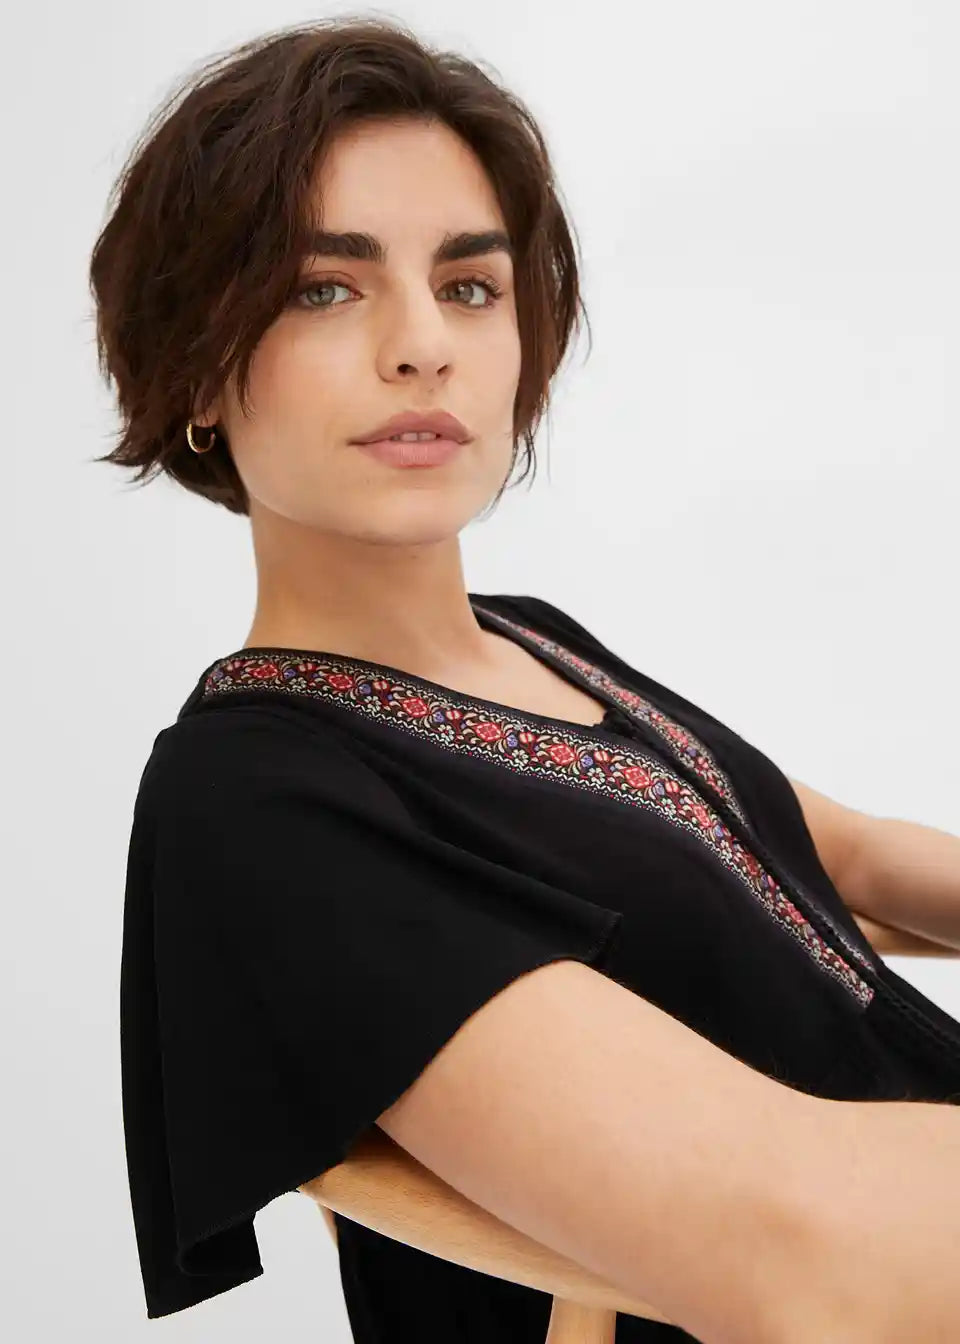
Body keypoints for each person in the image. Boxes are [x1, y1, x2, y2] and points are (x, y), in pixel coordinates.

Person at [91, 16, 960, 1341]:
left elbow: (844, 859)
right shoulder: (257, 797)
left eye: (470, 285)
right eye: (324, 289)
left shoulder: (533, 640)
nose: (421, 345)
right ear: (197, 364)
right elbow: (802, 1247)